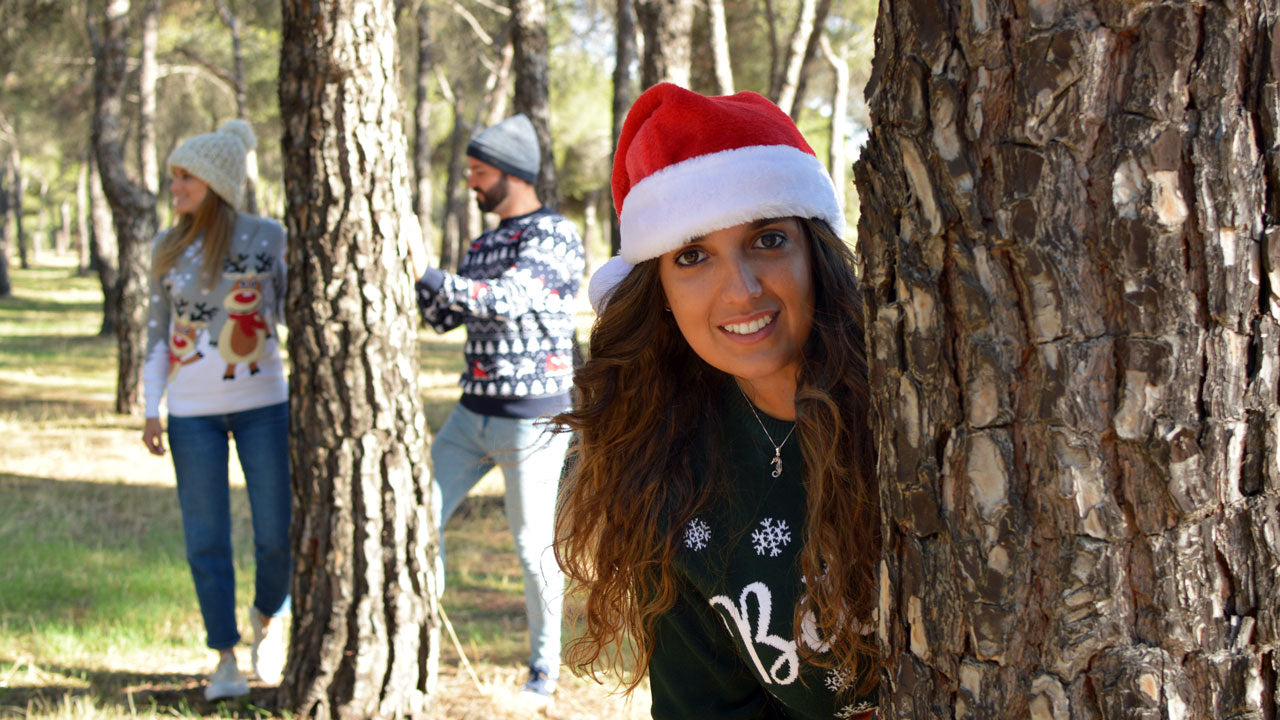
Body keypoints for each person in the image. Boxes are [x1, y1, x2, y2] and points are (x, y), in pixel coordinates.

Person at [554, 83, 880, 719]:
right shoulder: (667, 468)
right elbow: (706, 706)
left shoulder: (917, 409)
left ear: (815, 253)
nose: (742, 289)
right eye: (694, 255)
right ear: (661, 293)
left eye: (767, 240)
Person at [407, 113, 584, 703]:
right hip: (469, 416)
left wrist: (427, 272)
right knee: (412, 520)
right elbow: (442, 317)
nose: (472, 185)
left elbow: (508, 302)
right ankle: (413, 648)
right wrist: (412, 271)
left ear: (511, 173)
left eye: (479, 173)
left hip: (532, 420)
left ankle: (543, 672)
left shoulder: (555, 235)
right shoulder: (483, 243)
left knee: (533, 547)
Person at [141, 119, 291, 702]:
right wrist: (150, 407)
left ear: (216, 183)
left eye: (185, 177)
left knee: (276, 532)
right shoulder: (166, 246)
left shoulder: (267, 237)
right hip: (191, 413)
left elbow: (289, 310)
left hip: (264, 406)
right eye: (174, 175)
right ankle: (225, 654)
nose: (174, 186)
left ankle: (267, 620)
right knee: (206, 536)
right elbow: (158, 334)